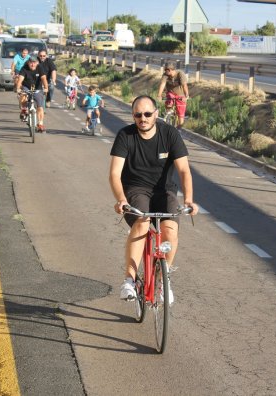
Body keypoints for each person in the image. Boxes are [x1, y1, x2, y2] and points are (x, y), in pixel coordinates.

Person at [109, 95, 198, 301]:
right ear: (133, 116)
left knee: (170, 231)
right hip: (135, 190)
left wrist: (189, 200)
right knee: (142, 222)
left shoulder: (170, 134)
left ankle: (162, 279)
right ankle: (129, 281)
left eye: (148, 114)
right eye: (138, 115)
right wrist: (121, 199)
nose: (143, 118)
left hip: (164, 190)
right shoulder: (125, 135)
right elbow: (114, 174)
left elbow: (184, 170)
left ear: (156, 114)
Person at [15, 55, 49, 132]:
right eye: (31, 63)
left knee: (40, 107)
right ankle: (23, 109)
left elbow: (43, 78)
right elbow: (20, 79)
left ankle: (40, 124)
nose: (32, 64)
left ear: (37, 63)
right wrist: (18, 88)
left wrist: (46, 88)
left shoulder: (40, 68)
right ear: (28, 63)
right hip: (26, 87)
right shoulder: (24, 68)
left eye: (34, 62)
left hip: (38, 88)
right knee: (23, 95)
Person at [156, 61, 189, 128]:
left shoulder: (180, 74)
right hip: (171, 93)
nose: (165, 71)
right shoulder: (165, 75)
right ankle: (168, 114)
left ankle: (179, 128)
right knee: (169, 102)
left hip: (180, 94)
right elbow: (162, 84)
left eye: (166, 70)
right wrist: (159, 95)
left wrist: (186, 96)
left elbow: (184, 85)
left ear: (170, 70)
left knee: (180, 113)